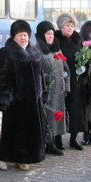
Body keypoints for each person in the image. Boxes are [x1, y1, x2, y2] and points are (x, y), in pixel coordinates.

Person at [0, 20, 46, 171]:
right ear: (13, 36)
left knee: (29, 132)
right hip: (14, 100)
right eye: (19, 35)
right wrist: (2, 96)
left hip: (33, 100)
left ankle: (24, 159)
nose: (23, 38)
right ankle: (4, 158)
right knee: (11, 131)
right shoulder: (6, 52)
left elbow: (40, 75)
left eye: (25, 35)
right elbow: (1, 76)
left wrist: (44, 93)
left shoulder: (34, 52)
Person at [35, 21, 70, 154]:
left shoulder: (57, 49)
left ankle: (53, 143)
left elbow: (66, 69)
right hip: (46, 91)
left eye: (52, 33)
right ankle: (45, 144)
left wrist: (66, 86)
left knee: (56, 118)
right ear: (41, 35)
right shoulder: (37, 50)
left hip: (59, 91)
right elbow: (35, 71)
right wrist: (44, 78)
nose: (51, 36)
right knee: (46, 117)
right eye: (47, 34)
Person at [55, 12, 86, 150]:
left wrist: (85, 63)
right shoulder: (56, 40)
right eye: (67, 25)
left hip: (76, 80)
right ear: (61, 26)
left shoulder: (77, 39)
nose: (70, 28)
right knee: (60, 108)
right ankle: (58, 139)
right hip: (61, 80)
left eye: (72, 25)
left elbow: (82, 56)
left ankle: (74, 138)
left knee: (75, 110)